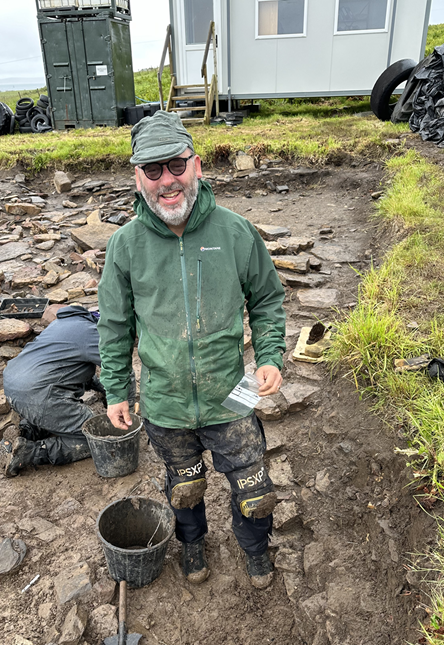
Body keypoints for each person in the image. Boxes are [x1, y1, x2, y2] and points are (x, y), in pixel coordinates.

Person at [97, 111, 286, 589]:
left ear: (196, 165)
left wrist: (268, 356)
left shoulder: (236, 231)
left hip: (233, 393)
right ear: (137, 177)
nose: (168, 181)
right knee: (184, 486)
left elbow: (266, 299)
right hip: (164, 401)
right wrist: (117, 391)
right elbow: (115, 326)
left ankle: (256, 550)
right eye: (153, 171)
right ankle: (193, 545)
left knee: (253, 486)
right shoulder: (124, 246)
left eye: (176, 166)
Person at [3, 305, 109, 476]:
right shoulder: (94, 334)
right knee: (97, 438)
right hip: (37, 394)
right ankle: (32, 452)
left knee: (53, 407)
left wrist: (103, 389)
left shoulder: (64, 323)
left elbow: (70, 367)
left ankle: (26, 431)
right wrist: (124, 402)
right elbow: (121, 372)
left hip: (13, 386)